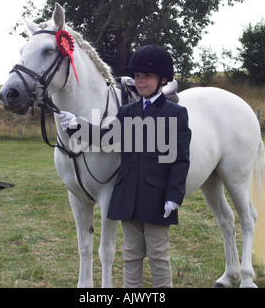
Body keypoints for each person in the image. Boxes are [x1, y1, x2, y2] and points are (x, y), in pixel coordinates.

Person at [58, 45, 192, 288]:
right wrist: (77, 125)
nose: (140, 82)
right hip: (128, 198)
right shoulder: (127, 111)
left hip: (157, 198)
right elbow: (107, 139)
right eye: (137, 76)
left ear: (163, 79)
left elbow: (180, 161)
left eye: (147, 76)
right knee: (130, 256)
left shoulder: (175, 113)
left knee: (158, 256)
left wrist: (174, 196)